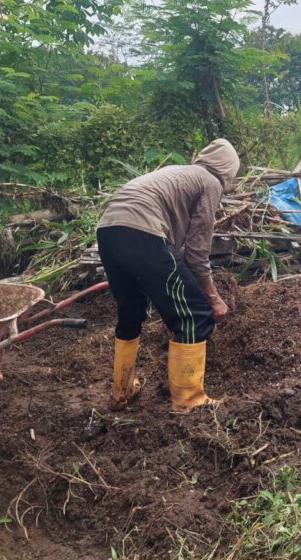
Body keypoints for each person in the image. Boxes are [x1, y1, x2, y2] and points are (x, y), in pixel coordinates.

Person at [95, 139, 240, 413]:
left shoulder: (180, 173)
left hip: (108, 230)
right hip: (142, 231)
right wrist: (213, 297)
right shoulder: (211, 182)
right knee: (195, 313)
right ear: (229, 171)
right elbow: (196, 253)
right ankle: (189, 400)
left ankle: (122, 391)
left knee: (131, 310)